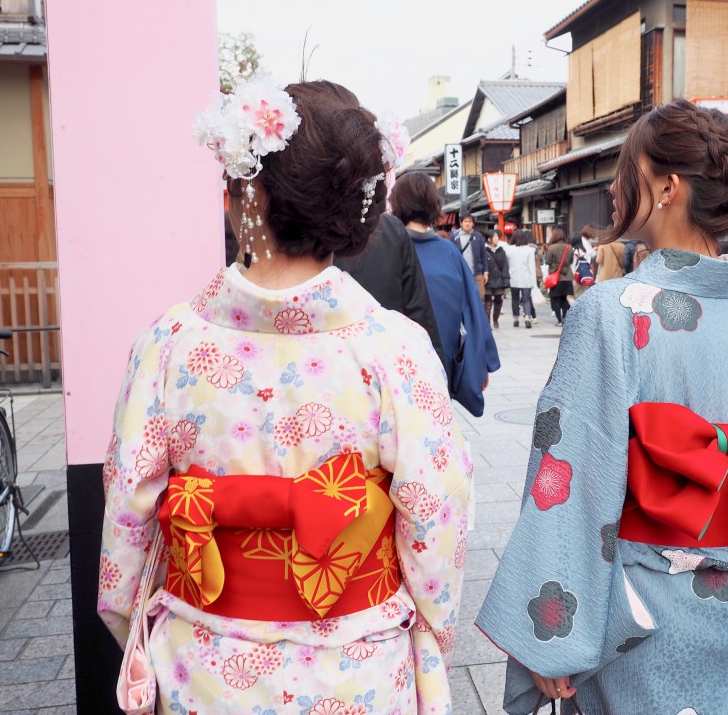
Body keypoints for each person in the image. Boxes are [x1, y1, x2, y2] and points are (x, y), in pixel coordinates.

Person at [98, 77, 470, 713]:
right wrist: (429, 635)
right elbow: (437, 521)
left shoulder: (167, 346)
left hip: (205, 672)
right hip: (357, 668)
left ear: (252, 190)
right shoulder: (394, 350)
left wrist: (153, 620)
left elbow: (126, 528)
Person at [477, 101, 728, 714]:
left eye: (624, 171)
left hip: (639, 612)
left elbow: (567, 483)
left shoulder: (613, 313)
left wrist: (551, 640)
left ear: (667, 187)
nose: (613, 187)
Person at [390, 171, 501, 417]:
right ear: (434, 204)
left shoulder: (386, 249)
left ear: (396, 203)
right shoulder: (449, 252)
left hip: (394, 363)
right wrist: (481, 361)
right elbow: (472, 307)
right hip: (443, 360)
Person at [336, 210, 445, 365]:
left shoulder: (306, 226)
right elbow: (418, 310)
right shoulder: (392, 229)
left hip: (323, 367)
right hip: (389, 361)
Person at [450, 213, 488, 302]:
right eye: (465, 221)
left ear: (473, 224)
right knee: (462, 299)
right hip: (460, 273)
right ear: (461, 223)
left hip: (476, 273)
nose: (467, 224)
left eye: (470, 222)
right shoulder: (454, 237)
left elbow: (483, 255)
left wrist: (485, 272)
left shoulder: (478, 236)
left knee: (479, 298)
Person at [507, 229, 539, 328]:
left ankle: (516, 318)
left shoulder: (509, 249)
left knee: (515, 299)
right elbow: (531, 267)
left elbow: (507, 265)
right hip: (526, 279)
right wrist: (533, 282)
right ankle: (527, 318)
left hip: (513, 278)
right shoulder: (529, 250)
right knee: (526, 299)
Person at [544, 228, 574, 325]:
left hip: (556, 277)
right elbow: (571, 261)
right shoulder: (569, 247)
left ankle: (559, 320)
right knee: (565, 298)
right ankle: (565, 317)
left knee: (555, 299)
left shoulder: (551, 248)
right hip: (568, 276)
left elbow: (548, 261)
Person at [484, 229, 511, 329]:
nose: (497, 238)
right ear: (489, 239)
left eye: (497, 237)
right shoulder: (484, 251)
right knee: (487, 301)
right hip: (488, 279)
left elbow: (505, 266)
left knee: (499, 300)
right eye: (495, 237)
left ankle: (495, 319)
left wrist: (506, 280)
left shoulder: (501, 251)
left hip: (499, 279)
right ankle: (487, 322)